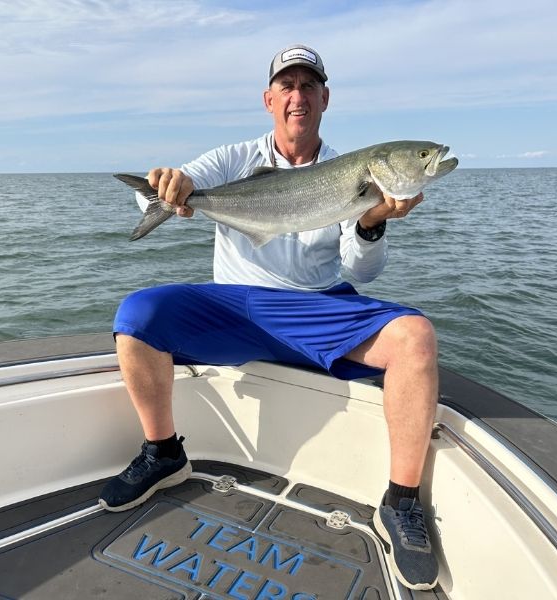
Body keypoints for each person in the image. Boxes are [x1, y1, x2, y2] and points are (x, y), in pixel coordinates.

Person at [100, 43, 440, 590]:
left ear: (325, 98)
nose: (297, 96)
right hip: (237, 304)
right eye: (287, 86)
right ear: (269, 99)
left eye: (309, 86)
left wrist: (373, 220)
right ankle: (164, 454)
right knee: (137, 314)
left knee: (415, 338)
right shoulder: (233, 157)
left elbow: (363, 269)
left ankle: (400, 503)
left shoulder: (349, 170)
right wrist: (167, 188)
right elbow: (157, 199)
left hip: (318, 304)